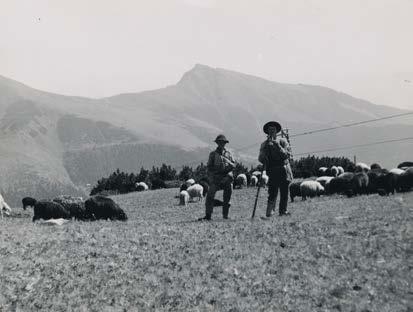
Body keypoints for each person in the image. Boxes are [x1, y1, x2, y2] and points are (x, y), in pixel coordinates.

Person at [258, 121, 293, 217]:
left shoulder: (283, 141)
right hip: (272, 170)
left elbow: (287, 155)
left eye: (273, 129)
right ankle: (270, 212)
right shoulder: (264, 144)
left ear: (277, 131)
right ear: (267, 132)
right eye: (270, 130)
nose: (272, 131)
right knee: (272, 192)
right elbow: (260, 158)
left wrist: (277, 145)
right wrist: (263, 155)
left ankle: (283, 211)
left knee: (284, 192)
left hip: (283, 169)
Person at [198, 134, 236, 221]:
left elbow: (234, 165)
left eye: (223, 142)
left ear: (225, 143)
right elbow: (209, 167)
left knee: (227, 197)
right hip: (216, 178)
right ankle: (208, 216)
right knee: (210, 197)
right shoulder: (213, 154)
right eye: (219, 142)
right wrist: (212, 177)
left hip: (227, 178)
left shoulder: (229, 154)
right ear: (217, 143)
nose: (221, 144)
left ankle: (225, 216)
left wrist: (227, 162)